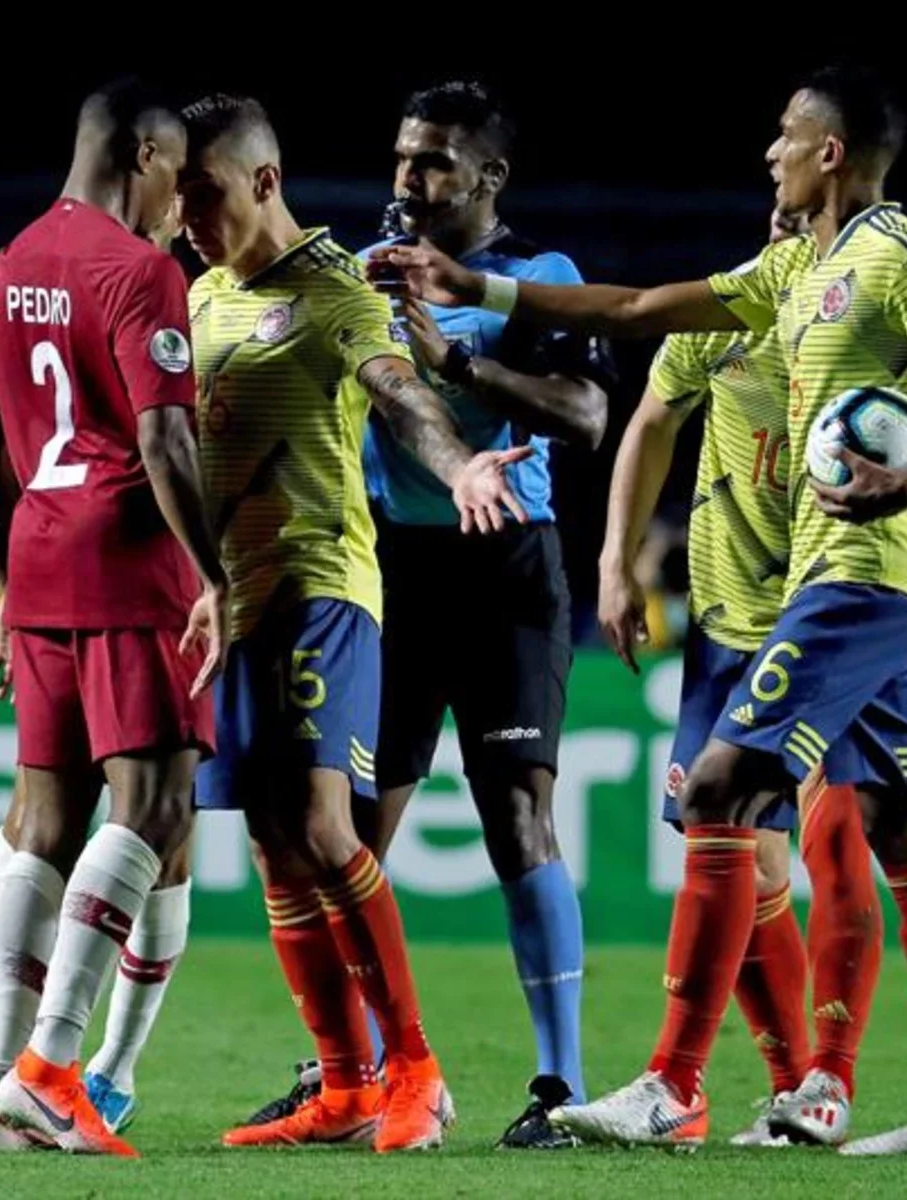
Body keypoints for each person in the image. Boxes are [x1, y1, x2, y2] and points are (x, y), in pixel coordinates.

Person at [372, 64, 907, 1157]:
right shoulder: (792, 268)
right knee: (903, 827)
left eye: (784, 134)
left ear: (829, 152)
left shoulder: (904, 257)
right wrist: (475, 288)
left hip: (862, 570)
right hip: (805, 580)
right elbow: (633, 311)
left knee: (727, 790)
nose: (767, 150)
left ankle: (676, 1085)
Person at [238, 79, 611, 1150]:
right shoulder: (353, 275)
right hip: (382, 574)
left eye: (437, 159)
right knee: (345, 837)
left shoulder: (537, 281)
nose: (410, 177)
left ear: (488, 177)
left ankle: (558, 1086)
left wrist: (451, 356)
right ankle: (362, 1076)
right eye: (404, 155)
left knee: (518, 824)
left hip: (505, 574)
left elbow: (586, 414)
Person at [177, 94, 528, 1154]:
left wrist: (459, 459)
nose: (187, 214)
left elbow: (397, 393)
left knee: (327, 831)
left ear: (265, 181)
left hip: (320, 589)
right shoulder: (197, 297)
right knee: (275, 852)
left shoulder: (333, 290)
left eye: (205, 192)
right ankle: (340, 1085)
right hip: (226, 609)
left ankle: (414, 1071)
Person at [0, 76, 226, 1158]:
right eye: (175, 177)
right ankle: (52, 1072)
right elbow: (164, 442)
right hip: (129, 565)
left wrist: (0, 580)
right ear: (144, 155)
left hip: (39, 567)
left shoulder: (11, 264)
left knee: (41, 819)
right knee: (154, 807)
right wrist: (214, 577)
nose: (178, 204)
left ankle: (4, 1078)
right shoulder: (138, 272)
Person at [600, 207, 887, 1146]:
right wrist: (617, 560)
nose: (783, 216)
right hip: (726, 629)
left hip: (828, 618)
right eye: (779, 211)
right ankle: (783, 1089)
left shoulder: (871, 332)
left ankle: (813, 1082)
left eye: (803, 212)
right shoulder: (723, 317)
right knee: (741, 851)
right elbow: (651, 420)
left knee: (836, 844)